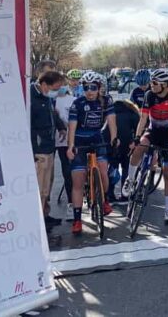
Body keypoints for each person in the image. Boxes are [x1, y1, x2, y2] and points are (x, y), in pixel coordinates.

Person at [123, 68, 168, 224]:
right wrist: (136, 137)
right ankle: (130, 179)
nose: (151, 85)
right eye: (151, 82)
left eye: (154, 83)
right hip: (152, 130)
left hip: (167, 135)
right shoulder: (149, 95)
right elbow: (143, 118)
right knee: (139, 147)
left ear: (165, 85)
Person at [67, 72, 119, 235]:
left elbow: (111, 121)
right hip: (80, 140)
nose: (89, 91)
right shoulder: (78, 103)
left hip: (98, 138)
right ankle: (77, 219)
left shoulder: (106, 101)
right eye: (86, 88)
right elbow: (72, 126)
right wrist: (70, 147)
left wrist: (114, 138)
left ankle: (104, 200)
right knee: (78, 181)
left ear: (99, 88)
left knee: (103, 170)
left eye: (93, 88)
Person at [31, 71, 66, 231]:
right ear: (45, 84)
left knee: (48, 185)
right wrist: (32, 150)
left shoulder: (46, 98)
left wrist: (60, 126)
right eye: (55, 87)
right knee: (41, 187)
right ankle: (37, 221)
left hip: (49, 146)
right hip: (40, 150)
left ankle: (45, 214)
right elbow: (29, 126)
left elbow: (52, 114)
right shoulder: (31, 99)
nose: (57, 91)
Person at [54, 76, 76, 220]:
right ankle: (71, 203)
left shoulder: (73, 100)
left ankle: (79, 199)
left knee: (76, 172)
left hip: (73, 141)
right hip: (60, 142)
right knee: (67, 173)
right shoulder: (51, 100)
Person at [109, 99, 139, 202]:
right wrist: (134, 142)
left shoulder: (110, 112)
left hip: (112, 142)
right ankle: (124, 195)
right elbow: (137, 129)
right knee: (126, 168)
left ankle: (110, 195)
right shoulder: (132, 113)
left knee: (112, 168)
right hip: (127, 143)